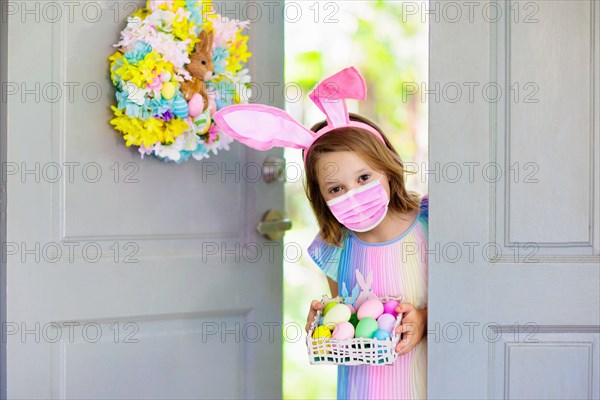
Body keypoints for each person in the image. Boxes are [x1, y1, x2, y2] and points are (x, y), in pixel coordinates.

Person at [213, 66, 428, 400]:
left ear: (387, 167)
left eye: (363, 178)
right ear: (322, 197)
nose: (352, 194)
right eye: (336, 188)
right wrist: (327, 322)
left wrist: (425, 318)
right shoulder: (334, 247)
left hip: (429, 380)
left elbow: (471, 298)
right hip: (364, 390)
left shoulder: (431, 223)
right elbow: (351, 318)